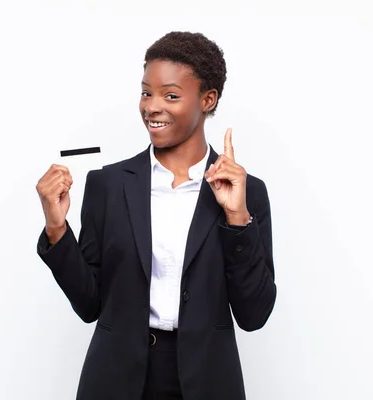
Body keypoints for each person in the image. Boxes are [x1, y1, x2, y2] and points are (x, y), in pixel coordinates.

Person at [36, 31, 277, 400]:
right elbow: (88, 305)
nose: (152, 107)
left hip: (208, 380)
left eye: (171, 95)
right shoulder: (108, 184)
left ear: (208, 99)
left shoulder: (247, 192)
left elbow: (254, 314)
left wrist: (237, 219)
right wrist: (57, 228)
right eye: (147, 92)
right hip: (116, 379)